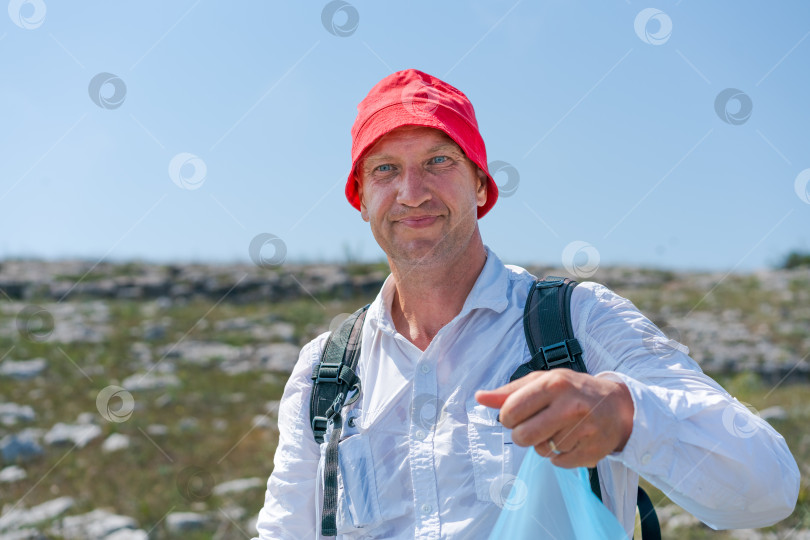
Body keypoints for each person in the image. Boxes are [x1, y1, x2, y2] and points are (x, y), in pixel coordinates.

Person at [253, 69, 799, 539]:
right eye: (385, 169)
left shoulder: (576, 321)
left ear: (482, 187)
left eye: (439, 161)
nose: (412, 191)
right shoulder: (323, 372)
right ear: (361, 199)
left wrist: (629, 416)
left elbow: (769, 488)